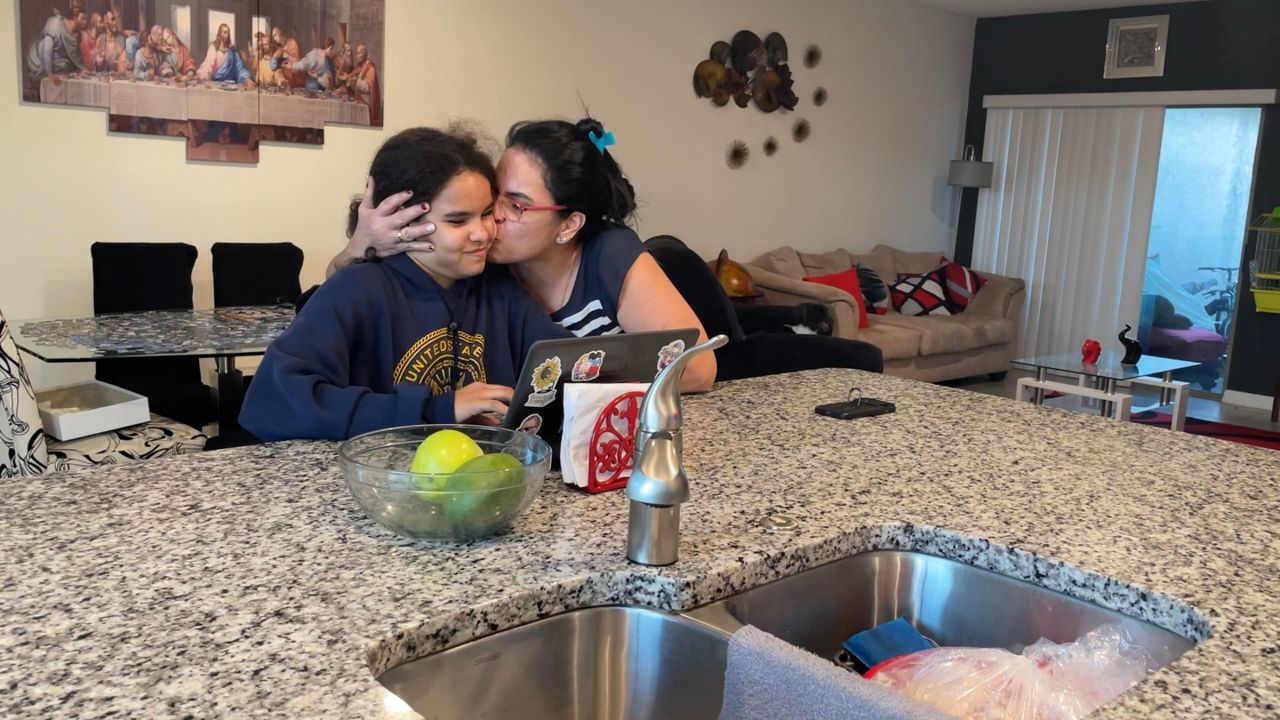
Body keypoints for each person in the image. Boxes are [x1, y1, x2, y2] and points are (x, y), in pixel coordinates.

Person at [330, 117, 715, 391]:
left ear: (569, 224)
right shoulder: (478, 261)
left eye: (516, 205)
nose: (490, 215)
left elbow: (697, 367)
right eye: (493, 193)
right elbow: (340, 296)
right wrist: (361, 244)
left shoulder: (608, 254)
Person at [240, 126, 570, 442]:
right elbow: (273, 402)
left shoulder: (500, 289)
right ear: (403, 219)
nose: (483, 233)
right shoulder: (357, 289)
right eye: (457, 220)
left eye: (486, 213)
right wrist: (436, 410)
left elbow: (568, 367)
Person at [26, 6, 86, 83]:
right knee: (63, 66)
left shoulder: (77, 35)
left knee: (66, 65)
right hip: (40, 61)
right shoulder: (55, 25)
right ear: (74, 17)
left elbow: (75, 56)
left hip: (59, 63)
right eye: (82, 18)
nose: (85, 21)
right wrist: (50, 74)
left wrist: (81, 68)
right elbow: (47, 50)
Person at [345, 44, 380, 125]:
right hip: (359, 100)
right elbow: (351, 80)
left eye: (358, 53)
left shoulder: (371, 67)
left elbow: (368, 87)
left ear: (364, 54)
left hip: (367, 103)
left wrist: (356, 80)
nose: (356, 56)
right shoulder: (359, 66)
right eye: (356, 53)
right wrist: (349, 78)